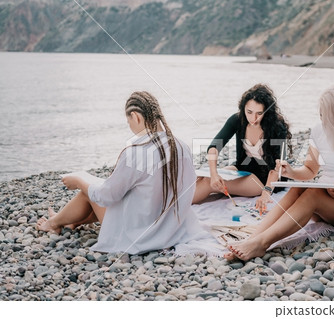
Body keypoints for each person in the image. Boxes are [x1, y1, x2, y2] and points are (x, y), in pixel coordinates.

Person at [37, 91, 215, 255]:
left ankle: (52, 223)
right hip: (172, 228)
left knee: (89, 193)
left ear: (136, 117)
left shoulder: (136, 151)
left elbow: (106, 196)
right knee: (103, 190)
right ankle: (67, 221)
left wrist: (78, 181)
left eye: (128, 121)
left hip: (140, 234)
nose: (129, 126)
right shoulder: (182, 146)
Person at [225, 84, 334, 261]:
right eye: (321, 114)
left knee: (313, 194)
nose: (322, 119)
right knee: (297, 188)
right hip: (327, 195)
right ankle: (252, 238)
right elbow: (310, 171)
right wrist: (290, 172)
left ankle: (261, 244)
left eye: (326, 115)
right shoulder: (318, 130)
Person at [193, 83, 292, 213]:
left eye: (259, 113)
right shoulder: (237, 120)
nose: (253, 118)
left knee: (208, 183)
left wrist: (266, 192)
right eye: (249, 112)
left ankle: (171, 208)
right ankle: (168, 201)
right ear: (243, 108)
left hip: (264, 178)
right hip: (242, 168)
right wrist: (214, 173)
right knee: (201, 178)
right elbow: (214, 147)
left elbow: (279, 166)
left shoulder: (277, 127)